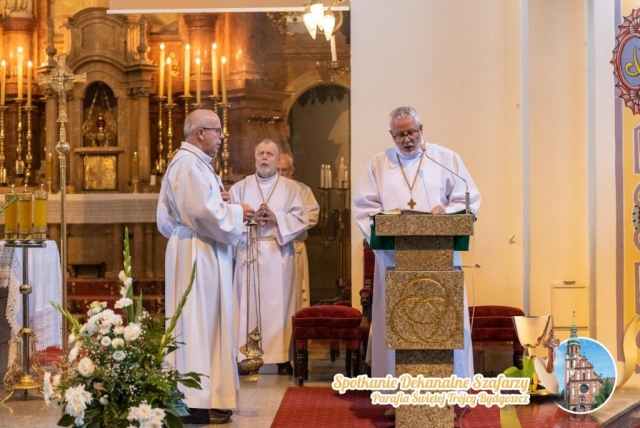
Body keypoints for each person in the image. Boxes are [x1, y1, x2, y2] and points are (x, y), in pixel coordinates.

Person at [352, 105, 481, 396]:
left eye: (411, 132)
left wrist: (446, 211)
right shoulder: (378, 164)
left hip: (440, 257)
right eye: (399, 135)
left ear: (421, 130)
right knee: (396, 322)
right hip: (394, 260)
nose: (407, 139)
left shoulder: (445, 159)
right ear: (391, 135)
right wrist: (387, 219)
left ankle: (447, 393)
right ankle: (396, 395)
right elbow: (363, 207)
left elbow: (468, 199)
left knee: (441, 318)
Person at [157, 109, 254, 425]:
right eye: (217, 131)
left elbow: (202, 208)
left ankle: (211, 397)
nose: (222, 137)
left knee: (209, 322)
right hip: (198, 252)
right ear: (200, 132)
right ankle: (195, 401)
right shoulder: (188, 164)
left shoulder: (197, 164)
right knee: (198, 321)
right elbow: (201, 213)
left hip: (202, 249)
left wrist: (223, 204)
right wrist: (237, 211)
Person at [230, 140, 309, 376]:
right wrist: (246, 218)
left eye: (270, 154)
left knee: (280, 307)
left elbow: (302, 218)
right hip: (249, 252)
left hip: (279, 254)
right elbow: (228, 219)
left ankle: (282, 357)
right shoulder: (240, 188)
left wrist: (277, 218)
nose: (265, 157)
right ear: (255, 158)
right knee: (248, 305)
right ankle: (246, 356)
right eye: (261, 153)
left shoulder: (292, 188)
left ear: (277, 159)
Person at [276, 153, 320, 309]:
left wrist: (282, 221)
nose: (281, 174)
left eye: (284, 170)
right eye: (277, 170)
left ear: (291, 170)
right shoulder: (266, 191)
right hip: (273, 248)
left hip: (295, 247)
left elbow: (312, 216)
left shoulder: (303, 190)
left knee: (295, 294)